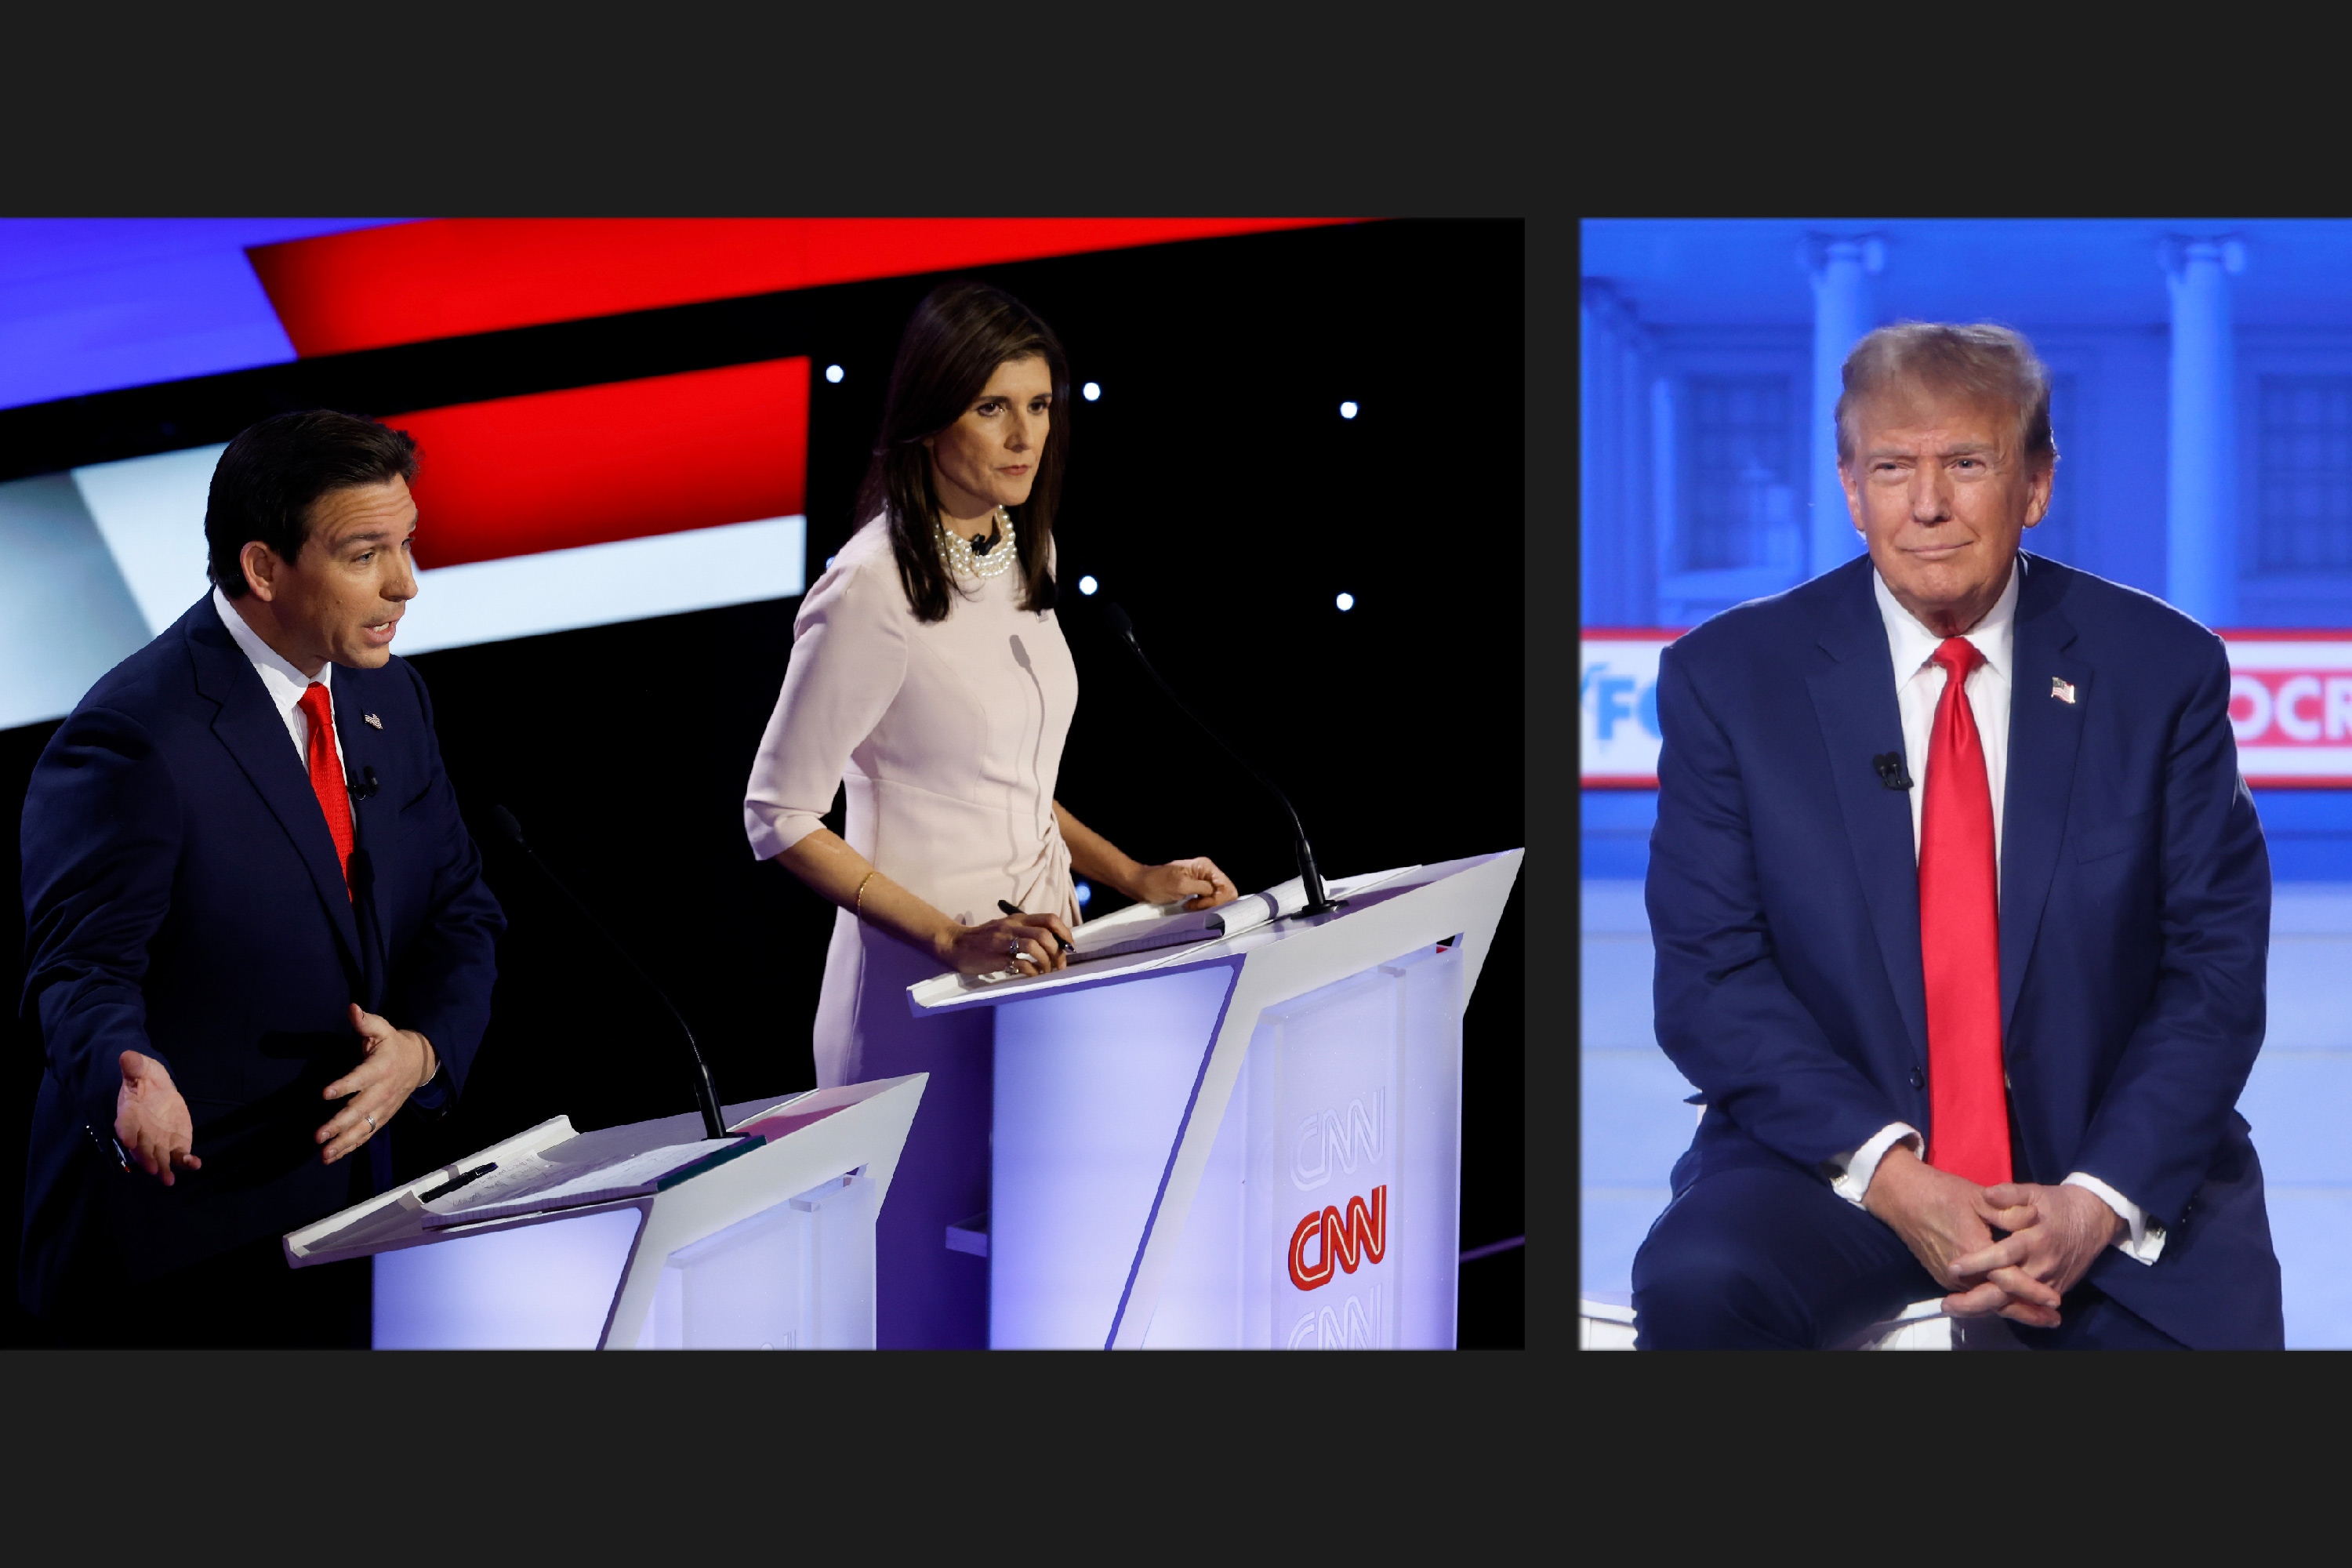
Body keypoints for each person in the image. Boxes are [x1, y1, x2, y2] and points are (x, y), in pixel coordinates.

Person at [1632, 321, 2282, 1349]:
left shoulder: (2163, 673)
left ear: (2035, 484)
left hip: (2099, 1159)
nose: (1927, 504)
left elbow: (2215, 968)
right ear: (1851, 490)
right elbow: (1711, 979)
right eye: (1893, 468)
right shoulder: (1731, 682)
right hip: (1838, 1165)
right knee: (1701, 1283)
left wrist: (2097, 1199)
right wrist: (1893, 1176)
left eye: (1965, 464)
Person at [744, 280, 1238, 1348]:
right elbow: (777, 815)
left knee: (1040, 1293)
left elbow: (1008, 778)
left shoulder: (1025, 550)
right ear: (929, 416)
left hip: (1047, 978)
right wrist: (949, 936)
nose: (1027, 435)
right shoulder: (868, 589)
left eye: (1043, 405)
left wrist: (1135, 878)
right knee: (918, 1307)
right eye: (993, 408)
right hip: (917, 1001)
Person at [19, 411, 504, 1347]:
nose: (406, 583)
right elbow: (79, 969)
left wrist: (425, 1051)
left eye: (407, 544)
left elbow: (460, 909)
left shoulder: (386, 694)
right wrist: (129, 1075)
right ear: (263, 568)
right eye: (367, 553)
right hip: (181, 1246)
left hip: (353, 1211)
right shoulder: (134, 735)